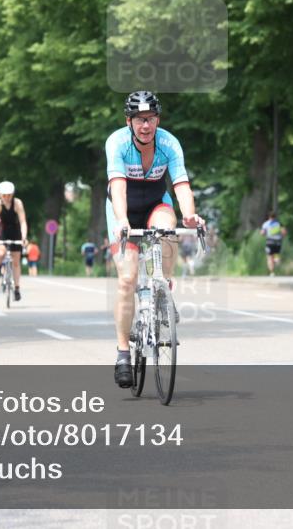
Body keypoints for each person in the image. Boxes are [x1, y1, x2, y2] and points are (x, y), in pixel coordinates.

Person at [106, 91, 204, 388]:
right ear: (129, 122)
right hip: (122, 206)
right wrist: (123, 220)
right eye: (139, 120)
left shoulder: (169, 143)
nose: (145, 126)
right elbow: (118, 187)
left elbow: (181, 183)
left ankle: (163, 287)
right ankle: (124, 352)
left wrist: (190, 214)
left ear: (157, 120)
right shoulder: (117, 143)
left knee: (167, 229)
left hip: (155, 202)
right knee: (127, 279)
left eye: (150, 119)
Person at [0, 181, 28, 301]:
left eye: (9, 195)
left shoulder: (17, 203)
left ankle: (16, 288)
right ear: (0, 194)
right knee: (0, 253)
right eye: (4, 195)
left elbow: (22, 222)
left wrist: (24, 237)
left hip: (15, 231)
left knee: (16, 261)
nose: (7, 197)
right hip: (2, 231)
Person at [260, 210, 286, 276]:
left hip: (269, 242)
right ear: (275, 217)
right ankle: (277, 261)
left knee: (269, 257)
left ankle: (272, 272)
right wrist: (281, 237)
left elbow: (262, 233)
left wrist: (264, 233)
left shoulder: (266, 224)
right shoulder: (279, 223)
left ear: (269, 217)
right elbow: (284, 232)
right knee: (276, 255)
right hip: (278, 242)